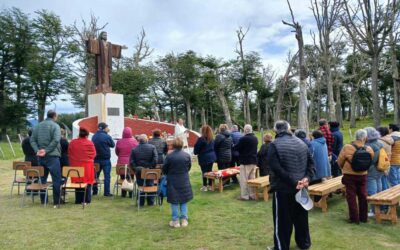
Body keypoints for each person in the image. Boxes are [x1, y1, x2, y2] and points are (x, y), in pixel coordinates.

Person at [267, 120, 315, 250]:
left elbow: (276, 168)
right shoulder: (302, 143)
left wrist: (302, 180)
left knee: (282, 220)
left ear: (275, 130)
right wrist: (306, 179)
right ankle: (304, 243)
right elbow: (311, 164)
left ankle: (282, 246)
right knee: (301, 217)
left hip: (284, 188)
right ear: (288, 129)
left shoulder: (274, 145)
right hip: (300, 186)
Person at [337, 129, 374, 224]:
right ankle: (363, 217)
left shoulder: (347, 147)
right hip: (363, 175)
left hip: (349, 175)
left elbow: (340, 160)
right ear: (365, 138)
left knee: (351, 196)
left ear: (355, 137)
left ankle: (354, 218)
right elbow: (370, 160)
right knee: (363, 195)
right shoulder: (368, 149)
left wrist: (343, 168)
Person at [30, 110, 62, 208]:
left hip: (41, 157)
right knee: (56, 179)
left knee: (42, 179)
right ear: (55, 116)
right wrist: (46, 150)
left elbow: (32, 140)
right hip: (52, 156)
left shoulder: (37, 126)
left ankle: (44, 200)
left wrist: (38, 151)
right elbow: (56, 140)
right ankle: (56, 202)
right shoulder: (55, 126)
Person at [163, 138, 193, 228]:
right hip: (183, 179)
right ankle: (184, 220)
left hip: (173, 180)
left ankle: (175, 221)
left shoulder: (169, 156)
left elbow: (165, 169)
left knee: (174, 201)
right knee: (183, 200)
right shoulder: (187, 156)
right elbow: (188, 167)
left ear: (173, 145)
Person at [68, 127, 96, 204]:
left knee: (77, 182)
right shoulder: (90, 143)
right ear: (87, 135)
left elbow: (69, 153)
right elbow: (93, 154)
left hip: (75, 166)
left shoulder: (73, 142)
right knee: (87, 183)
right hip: (87, 166)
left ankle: (78, 200)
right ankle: (86, 200)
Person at [130, 134, 158, 206]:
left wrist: (136, 169)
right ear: (146, 140)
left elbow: (131, 162)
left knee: (140, 185)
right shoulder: (152, 147)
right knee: (150, 185)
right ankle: (150, 202)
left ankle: (141, 202)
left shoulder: (134, 149)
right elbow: (155, 159)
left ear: (139, 140)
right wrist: (151, 167)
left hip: (139, 171)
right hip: (149, 170)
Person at [233, 124, 258, 200]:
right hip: (253, 161)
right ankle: (252, 194)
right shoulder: (255, 138)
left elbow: (236, 147)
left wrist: (233, 145)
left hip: (245, 161)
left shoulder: (243, 139)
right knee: (252, 179)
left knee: (244, 179)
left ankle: (244, 196)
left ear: (245, 130)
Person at [364, 127, 384, 217]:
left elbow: (371, 160)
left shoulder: (370, 146)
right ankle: (380, 208)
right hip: (380, 169)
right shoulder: (379, 143)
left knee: (372, 191)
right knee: (379, 189)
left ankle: (374, 211)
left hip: (372, 170)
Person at [92, 122, 115, 197]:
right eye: (107, 127)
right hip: (105, 159)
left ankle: (95, 191)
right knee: (107, 176)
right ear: (104, 128)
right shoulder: (106, 136)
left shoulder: (94, 136)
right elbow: (112, 145)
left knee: (95, 176)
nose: (108, 128)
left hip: (96, 159)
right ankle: (106, 193)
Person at [115, 127, 138, 198]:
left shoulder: (119, 141)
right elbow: (136, 153)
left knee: (122, 178)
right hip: (131, 163)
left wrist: (121, 156)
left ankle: (123, 194)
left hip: (121, 163)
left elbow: (117, 152)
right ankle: (131, 194)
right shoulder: (134, 141)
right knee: (131, 177)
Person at [194, 125, 217, 192]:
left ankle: (205, 186)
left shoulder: (201, 139)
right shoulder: (212, 139)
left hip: (204, 157)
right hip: (211, 157)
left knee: (204, 172)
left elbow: (196, 150)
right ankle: (210, 185)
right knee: (209, 171)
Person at [377, 127, 394, 191]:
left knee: (383, 181)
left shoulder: (380, 141)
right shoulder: (389, 139)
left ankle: (386, 197)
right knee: (385, 180)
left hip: (382, 162)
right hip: (387, 161)